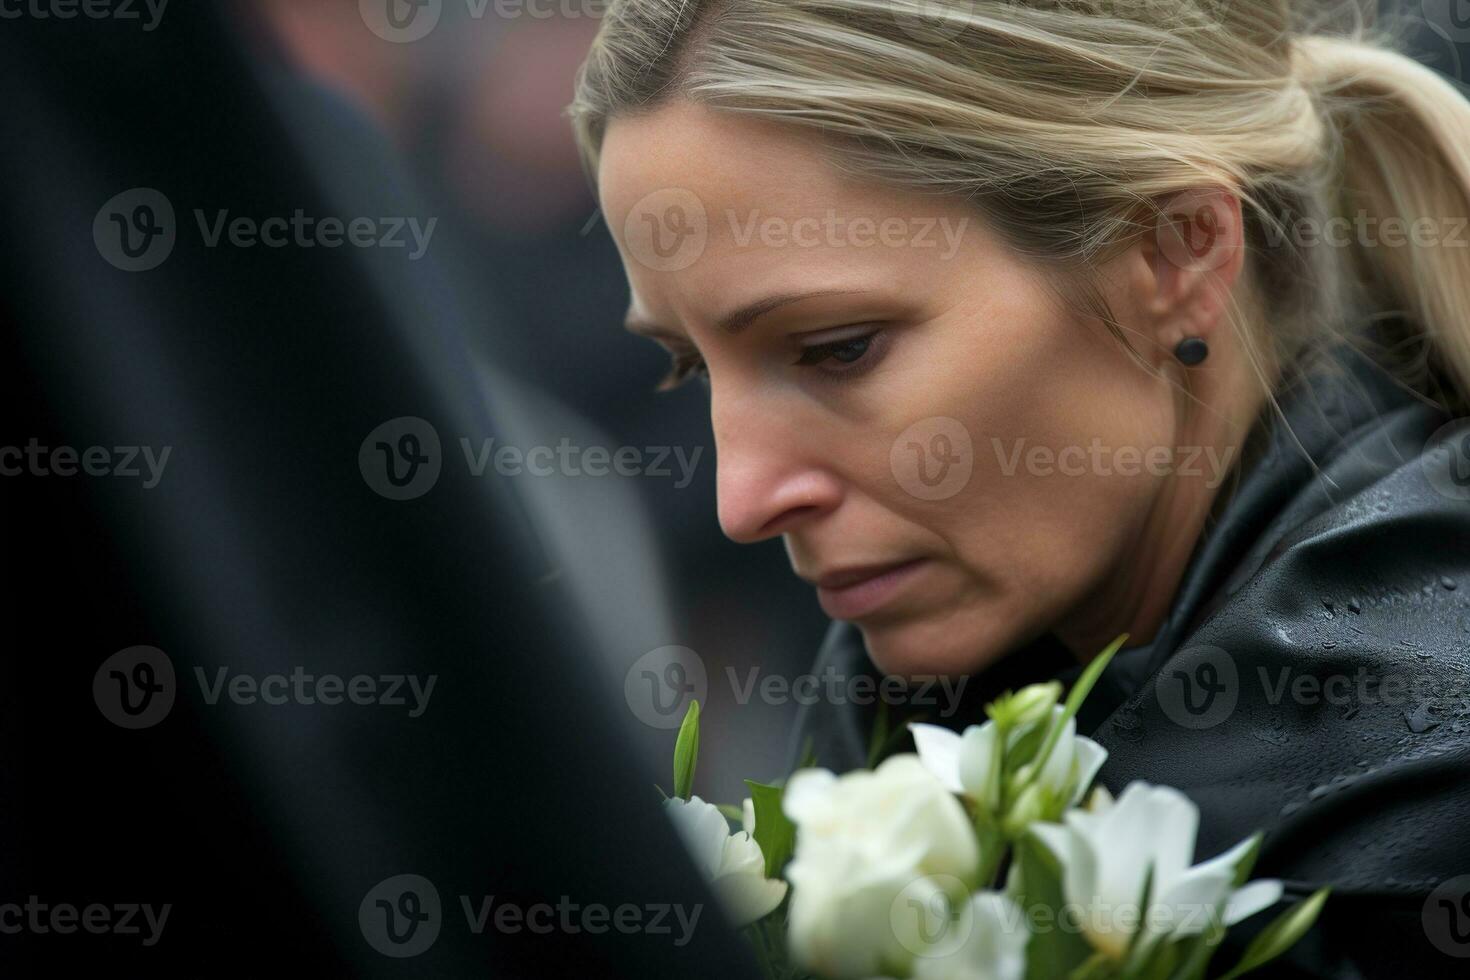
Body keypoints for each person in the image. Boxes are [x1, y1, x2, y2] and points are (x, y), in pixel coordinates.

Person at [571, 0, 1470, 975]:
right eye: (691, 368)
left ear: (1176, 252)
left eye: (838, 349)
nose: (741, 501)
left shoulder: (1408, 814)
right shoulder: (911, 706)